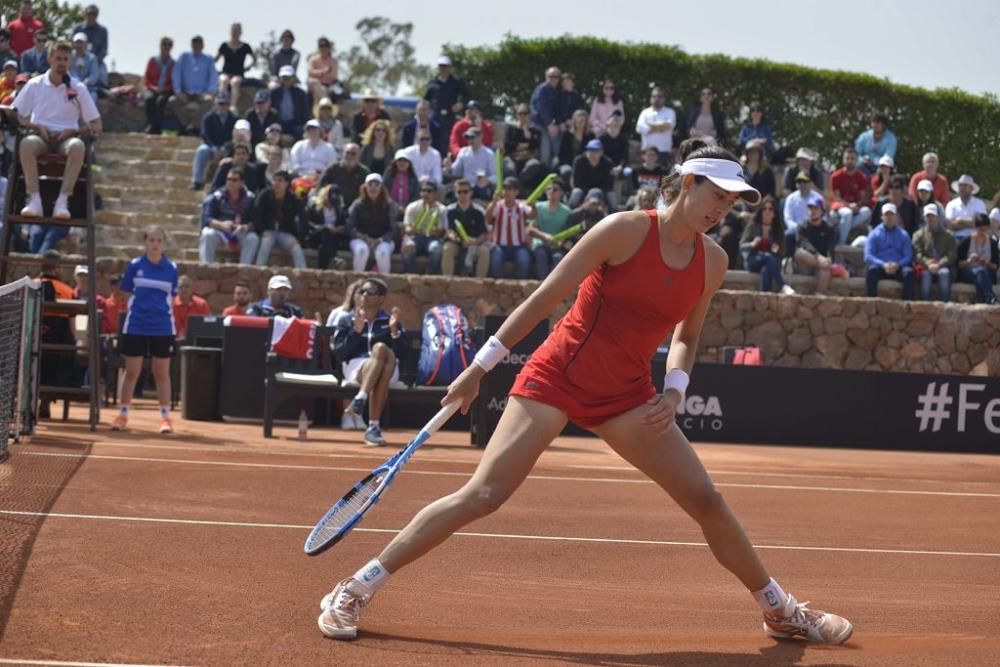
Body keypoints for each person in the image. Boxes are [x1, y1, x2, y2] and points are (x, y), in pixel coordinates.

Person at [317, 146, 853, 645]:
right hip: (557, 378)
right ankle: (354, 587)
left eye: (732, 201)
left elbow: (687, 336)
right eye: (717, 195)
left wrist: (674, 389)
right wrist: (480, 368)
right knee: (484, 495)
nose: (723, 208)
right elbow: (547, 295)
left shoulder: (711, 261)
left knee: (707, 501)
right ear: (688, 183)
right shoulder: (622, 231)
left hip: (627, 396)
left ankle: (780, 611)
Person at [15, 39, 102, 235]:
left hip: (66, 137)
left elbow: (96, 124)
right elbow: (17, 115)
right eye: (58, 58)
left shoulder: (78, 88)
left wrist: (74, 131)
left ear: (70, 62)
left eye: (65, 59)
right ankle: (34, 198)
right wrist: (35, 126)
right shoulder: (35, 84)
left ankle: (63, 201)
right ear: (49, 59)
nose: (61, 62)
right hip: (40, 136)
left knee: (78, 147)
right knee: (27, 144)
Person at [112, 226, 178, 435]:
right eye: (151, 240)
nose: (155, 244)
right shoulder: (134, 266)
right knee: (132, 371)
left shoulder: (171, 268)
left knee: (161, 373)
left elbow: (172, 295)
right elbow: (123, 292)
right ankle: (122, 414)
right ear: (145, 242)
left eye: (159, 240)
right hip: (136, 325)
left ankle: (165, 418)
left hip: (163, 326)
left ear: (163, 243)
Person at [332, 277, 406, 447]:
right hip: (357, 367)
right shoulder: (346, 320)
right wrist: (356, 332)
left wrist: (394, 332)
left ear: (380, 298)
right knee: (380, 356)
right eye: (361, 291)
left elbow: (403, 354)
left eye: (370, 292)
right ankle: (373, 426)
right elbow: (341, 354)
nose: (364, 295)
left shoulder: (390, 321)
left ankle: (360, 398)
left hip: (388, 368)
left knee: (381, 349)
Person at [199, 167, 259, 264]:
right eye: (228, 179)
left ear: (242, 183)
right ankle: (206, 267)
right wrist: (221, 225)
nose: (230, 182)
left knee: (253, 238)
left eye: (234, 180)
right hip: (221, 231)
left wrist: (244, 227)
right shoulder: (217, 196)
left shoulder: (250, 198)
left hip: (240, 232)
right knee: (207, 234)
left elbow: (256, 221)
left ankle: (244, 270)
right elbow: (208, 218)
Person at [254, 170, 307, 268]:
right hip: (268, 231)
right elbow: (256, 214)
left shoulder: (294, 198)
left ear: (287, 183)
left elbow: (303, 218)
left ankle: (303, 274)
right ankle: (258, 271)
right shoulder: (264, 195)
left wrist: (300, 238)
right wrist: (261, 231)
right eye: (274, 180)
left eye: (280, 180)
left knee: (296, 248)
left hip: (285, 233)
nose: (276, 183)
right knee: (265, 244)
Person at [741, 196, 793, 294]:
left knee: (766, 270)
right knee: (768, 257)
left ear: (774, 213)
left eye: (770, 209)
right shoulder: (753, 226)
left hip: (772, 262)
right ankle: (782, 286)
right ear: (761, 211)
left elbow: (782, 251)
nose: (767, 212)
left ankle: (764, 298)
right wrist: (752, 244)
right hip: (753, 260)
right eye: (764, 209)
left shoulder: (778, 229)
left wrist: (776, 249)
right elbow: (741, 246)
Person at [348, 173, 398, 273]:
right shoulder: (357, 205)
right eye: (370, 185)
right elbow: (350, 227)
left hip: (383, 240)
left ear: (382, 188)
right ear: (365, 187)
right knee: (361, 251)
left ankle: (384, 282)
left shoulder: (390, 205)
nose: (373, 188)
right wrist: (364, 238)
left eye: (377, 185)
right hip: (360, 239)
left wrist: (380, 240)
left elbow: (393, 230)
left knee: (382, 253)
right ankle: (357, 281)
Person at [486, 177, 535, 279]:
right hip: (499, 245)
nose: (506, 192)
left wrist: (533, 206)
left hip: (519, 246)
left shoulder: (522, 205)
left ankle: (520, 288)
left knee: (524, 260)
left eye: (510, 189)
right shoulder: (497, 205)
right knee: (495, 260)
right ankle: (498, 287)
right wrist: (493, 202)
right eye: (505, 188)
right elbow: (488, 217)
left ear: (516, 191)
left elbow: (532, 215)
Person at [169, 36, 218, 135]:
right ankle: (187, 125)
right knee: (172, 101)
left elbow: (213, 76)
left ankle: (193, 125)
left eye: (199, 43)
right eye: (194, 43)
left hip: (202, 93)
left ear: (203, 45)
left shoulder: (208, 59)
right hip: (185, 93)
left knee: (209, 101)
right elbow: (176, 74)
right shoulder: (184, 57)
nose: (197, 46)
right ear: (191, 45)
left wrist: (210, 92)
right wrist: (178, 91)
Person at [864, 203, 914, 300]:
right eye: (886, 215)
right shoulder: (874, 234)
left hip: (898, 267)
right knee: (871, 272)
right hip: (881, 267)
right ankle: (871, 302)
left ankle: (905, 305)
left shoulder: (903, 235)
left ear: (896, 217)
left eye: (892, 215)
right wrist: (883, 264)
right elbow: (868, 255)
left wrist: (898, 265)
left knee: (909, 273)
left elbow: (908, 255)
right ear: (882, 217)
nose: (889, 218)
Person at [442, 179, 489, 277]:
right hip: (456, 243)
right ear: (455, 194)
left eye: (465, 191)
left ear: (471, 193)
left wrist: (475, 241)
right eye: (459, 192)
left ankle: (480, 284)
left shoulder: (479, 211)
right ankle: (446, 282)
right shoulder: (449, 210)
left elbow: (485, 234)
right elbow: (447, 230)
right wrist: (452, 236)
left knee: (484, 251)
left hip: (475, 243)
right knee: (447, 248)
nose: (462, 194)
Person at [190, 92, 237, 190]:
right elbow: (205, 134)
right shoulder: (208, 117)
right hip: (211, 146)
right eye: (221, 104)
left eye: (226, 104)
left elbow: (235, 137)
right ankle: (197, 181)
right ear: (216, 104)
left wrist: (225, 148)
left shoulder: (234, 118)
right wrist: (214, 148)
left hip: (227, 148)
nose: (223, 106)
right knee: (202, 150)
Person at [529, 178, 573, 280]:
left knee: (557, 258)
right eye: (548, 189)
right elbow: (530, 229)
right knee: (541, 254)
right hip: (539, 244)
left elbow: (568, 233)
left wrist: (560, 242)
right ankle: (542, 284)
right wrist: (544, 236)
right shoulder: (538, 207)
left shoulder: (567, 212)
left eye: (555, 189)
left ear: (561, 193)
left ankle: (553, 286)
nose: (551, 192)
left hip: (557, 246)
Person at [401, 180, 447, 274]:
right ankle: (412, 276)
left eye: (429, 191)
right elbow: (407, 229)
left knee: (436, 250)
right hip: (415, 237)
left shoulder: (442, 209)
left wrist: (435, 231)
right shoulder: (412, 206)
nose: (425, 193)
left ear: (435, 193)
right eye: (423, 190)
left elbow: (441, 231)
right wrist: (415, 230)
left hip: (433, 238)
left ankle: (429, 278)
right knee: (408, 246)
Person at [828, 147, 872, 246]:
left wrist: (857, 205)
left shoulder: (862, 177)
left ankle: (843, 227)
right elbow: (836, 197)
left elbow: (862, 197)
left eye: (852, 159)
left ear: (856, 161)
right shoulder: (836, 176)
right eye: (847, 158)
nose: (849, 161)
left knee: (867, 211)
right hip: (839, 208)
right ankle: (841, 244)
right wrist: (848, 206)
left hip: (855, 208)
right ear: (843, 160)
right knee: (847, 213)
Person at [911, 205, 956, 302]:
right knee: (926, 275)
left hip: (943, 266)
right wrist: (928, 263)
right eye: (928, 216)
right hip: (926, 267)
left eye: (933, 216)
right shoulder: (918, 235)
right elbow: (917, 254)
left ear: (938, 217)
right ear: (924, 218)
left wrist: (939, 264)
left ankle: (945, 305)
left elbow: (951, 255)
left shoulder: (949, 235)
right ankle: (925, 304)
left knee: (945, 273)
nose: (930, 218)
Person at [793, 198, 837, 294]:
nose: (812, 211)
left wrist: (829, 258)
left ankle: (818, 296)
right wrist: (819, 258)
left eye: (816, 208)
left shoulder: (829, 229)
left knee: (826, 267)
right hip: (804, 264)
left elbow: (831, 248)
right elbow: (804, 244)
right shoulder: (801, 227)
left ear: (822, 211)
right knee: (799, 253)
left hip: (820, 266)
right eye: (810, 208)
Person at [423, 56, 469, 148]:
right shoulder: (432, 82)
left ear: (450, 67)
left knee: (447, 141)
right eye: (441, 66)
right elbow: (426, 100)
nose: (443, 69)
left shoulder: (456, 81)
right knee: (433, 139)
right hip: (435, 116)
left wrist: (461, 104)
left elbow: (468, 95)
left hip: (450, 116)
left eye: (445, 66)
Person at [956, 214, 999, 304]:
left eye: (985, 229)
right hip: (968, 273)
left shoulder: (993, 243)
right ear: (975, 228)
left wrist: (987, 263)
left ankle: (982, 303)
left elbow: (995, 267)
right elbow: (959, 265)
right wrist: (969, 260)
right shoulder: (966, 242)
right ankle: (990, 296)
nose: (983, 232)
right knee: (979, 271)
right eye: (981, 230)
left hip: (988, 273)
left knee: (980, 278)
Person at [307, 183, 348, 270]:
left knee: (323, 247)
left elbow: (344, 226)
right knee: (326, 230)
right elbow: (309, 224)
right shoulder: (314, 208)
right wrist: (325, 227)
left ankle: (322, 271)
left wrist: (338, 229)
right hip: (317, 235)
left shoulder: (339, 210)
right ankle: (335, 258)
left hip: (332, 239)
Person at [215, 22, 254, 113]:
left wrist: (248, 67)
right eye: (234, 30)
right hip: (226, 72)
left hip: (238, 73)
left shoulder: (245, 46)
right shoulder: (224, 46)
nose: (235, 33)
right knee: (223, 80)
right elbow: (215, 59)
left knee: (235, 82)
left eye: (237, 31)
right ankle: (221, 101)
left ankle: (232, 106)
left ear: (241, 32)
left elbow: (254, 59)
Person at [634, 86, 675, 168]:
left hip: (663, 151)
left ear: (664, 99)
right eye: (654, 96)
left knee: (662, 178)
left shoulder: (670, 112)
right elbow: (639, 128)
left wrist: (649, 124)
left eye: (659, 96)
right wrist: (660, 128)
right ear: (650, 98)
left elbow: (668, 125)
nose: (656, 98)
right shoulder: (645, 112)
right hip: (647, 152)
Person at [530, 67, 563, 167]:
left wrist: (558, 123)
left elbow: (557, 110)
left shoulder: (555, 91)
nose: (554, 79)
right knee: (545, 152)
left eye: (556, 76)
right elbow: (542, 108)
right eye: (551, 76)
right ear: (546, 77)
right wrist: (549, 124)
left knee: (558, 150)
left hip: (549, 125)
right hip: (540, 124)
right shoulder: (543, 89)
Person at [570, 140, 616, 210]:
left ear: (601, 152)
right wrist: (589, 193)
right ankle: (571, 213)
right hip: (583, 190)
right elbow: (577, 182)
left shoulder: (608, 163)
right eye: (590, 150)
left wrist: (596, 192)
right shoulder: (578, 161)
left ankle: (615, 214)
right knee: (576, 192)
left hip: (601, 191)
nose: (593, 154)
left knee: (611, 195)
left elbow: (609, 183)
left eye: (596, 151)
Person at [320, 143, 369, 209]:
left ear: (359, 156)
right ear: (343, 154)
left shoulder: (364, 172)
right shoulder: (333, 169)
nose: (349, 156)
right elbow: (321, 186)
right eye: (347, 153)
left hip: (357, 208)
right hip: (334, 207)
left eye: (353, 154)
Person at [143, 37, 174, 134]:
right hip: (152, 88)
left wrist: (164, 89)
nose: (166, 47)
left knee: (161, 101)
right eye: (164, 44)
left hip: (166, 90)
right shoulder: (153, 60)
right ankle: (151, 124)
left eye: (169, 45)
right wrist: (153, 88)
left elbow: (174, 82)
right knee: (149, 99)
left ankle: (156, 127)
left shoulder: (173, 64)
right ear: (160, 46)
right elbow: (146, 78)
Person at [71, 4, 108, 86]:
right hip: (77, 58)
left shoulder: (102, 30)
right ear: (85, 15)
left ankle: (100, 91)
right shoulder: (77, 28)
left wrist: (94, 62)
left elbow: (104, 50)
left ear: (97, 16)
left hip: (96, 61)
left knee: (102, 75)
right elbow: (72, 45)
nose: (91, 17)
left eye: (94, 14)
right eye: (89, 14)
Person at [945, 174, 987, 243]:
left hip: (975, 239)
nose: (962, 188)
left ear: (971, 188)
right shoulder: (951, 204)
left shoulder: (979, 204)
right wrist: (972, 223)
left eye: (965, 185)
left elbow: (983, 224)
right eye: (961, 185)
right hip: (956, 239)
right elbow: (950, 225)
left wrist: (960, 220)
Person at [271, 65, 309, 140]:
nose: (286, 79)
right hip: (278, 123)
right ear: (280, 78)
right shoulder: (274, 92)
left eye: (288, 77)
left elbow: (305, 111)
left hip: (295, 123)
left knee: (301, 131)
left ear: (293, 78)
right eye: (284, 77)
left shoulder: (300, 93)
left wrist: (304, 124)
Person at [172, 274, 211, 340]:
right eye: (181, 287)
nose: (184, 289)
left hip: (195, 342)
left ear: (192, 288)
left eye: (187, 286)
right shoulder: (170, 305)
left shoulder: (202, 304)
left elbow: (208, 326)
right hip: (172, 341)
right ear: (177, 289)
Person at [306, 37, 339, 105]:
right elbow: (310, 72)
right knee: (315, 83)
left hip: (328, 86)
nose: (323, 49)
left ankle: (321, 107)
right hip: (314, 84)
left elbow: (333, 76)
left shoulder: (333, 61)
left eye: (325, 47)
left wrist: (317, 74)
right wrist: (323, 71)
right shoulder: (313, 59)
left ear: (329, 48)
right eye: (321, 47)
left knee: (322, 89)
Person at [70, 33, 99, 97]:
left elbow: (94, 75)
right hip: (73, 87)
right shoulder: (70, 56)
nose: (79, 45)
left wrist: (86, 82)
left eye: (81, 43)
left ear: (85, 44)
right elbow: (70, 71)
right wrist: (77, 82)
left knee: (93, 97)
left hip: (89, 88)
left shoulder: (92, 58)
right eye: (77, 42)